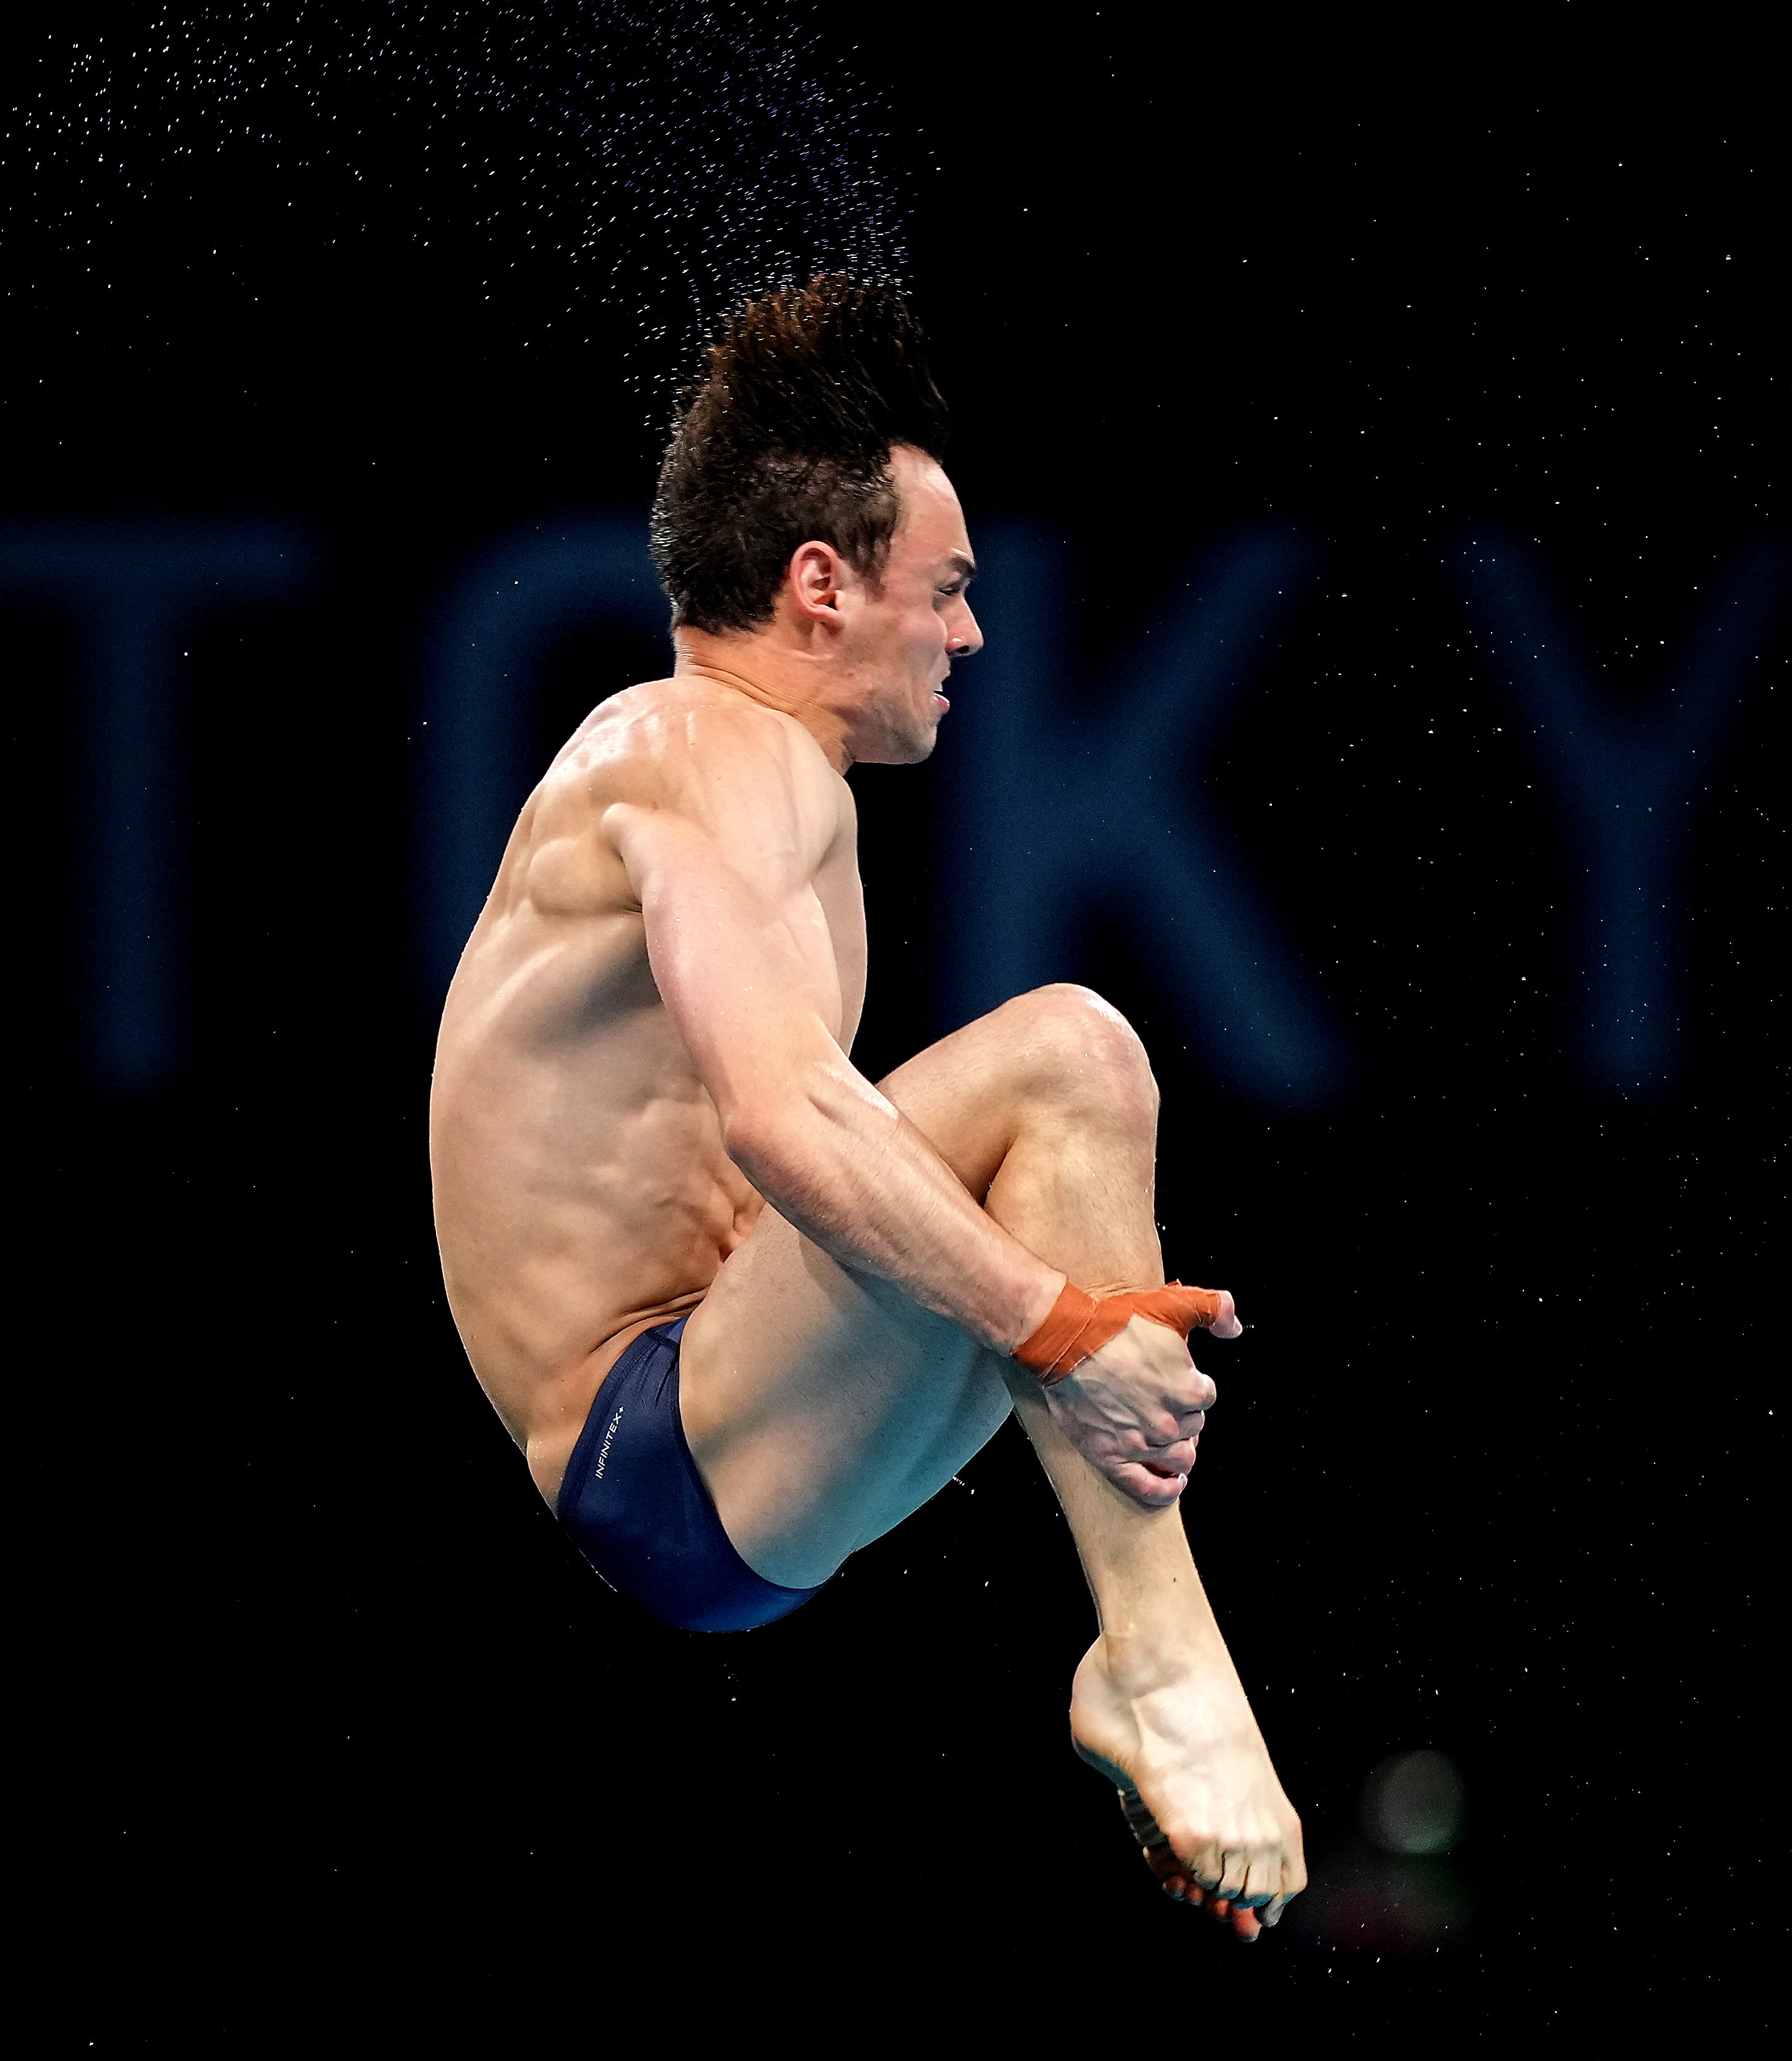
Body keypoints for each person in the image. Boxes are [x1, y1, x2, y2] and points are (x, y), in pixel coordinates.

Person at [430, 276, 1304, 1936]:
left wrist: (1062, 1311)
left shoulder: (776, 786)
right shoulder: (687, 748)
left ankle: (1149, 1653)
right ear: (821, 585)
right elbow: (782, 1116)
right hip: (656, 1444)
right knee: (1070, 1057)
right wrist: (1061, 1325)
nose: (971, 634)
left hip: (708, 1455)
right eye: (948, 589)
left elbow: (800, 1158)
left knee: (1059, 1114)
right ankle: (1164, 1652)